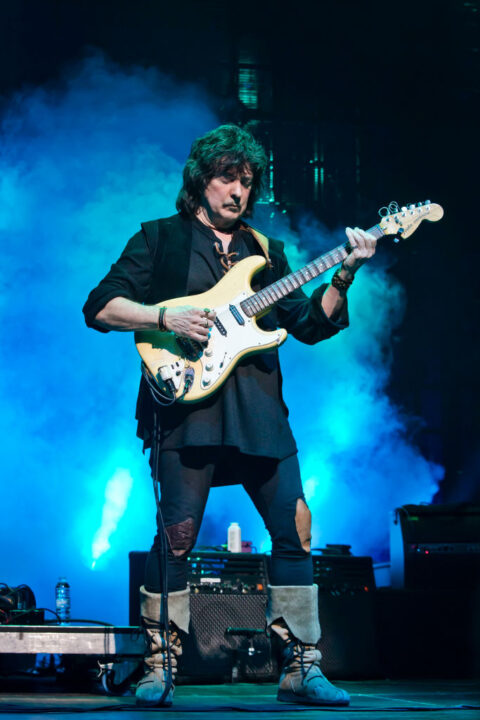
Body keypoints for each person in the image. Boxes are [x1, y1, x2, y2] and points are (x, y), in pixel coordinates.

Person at [83, 124, 377, 707]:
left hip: (260, 413)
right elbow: (100, 306)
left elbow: (313, 324)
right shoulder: (160, 240)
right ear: (200, 181)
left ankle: (300, 667)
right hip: (188, 410)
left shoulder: (266, 252)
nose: (237, 191)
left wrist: (346, 270)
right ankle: (159, 665)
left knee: (295, 532)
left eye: (246, 182)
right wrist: (164, 317)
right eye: (226, 178)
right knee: (176, 540)